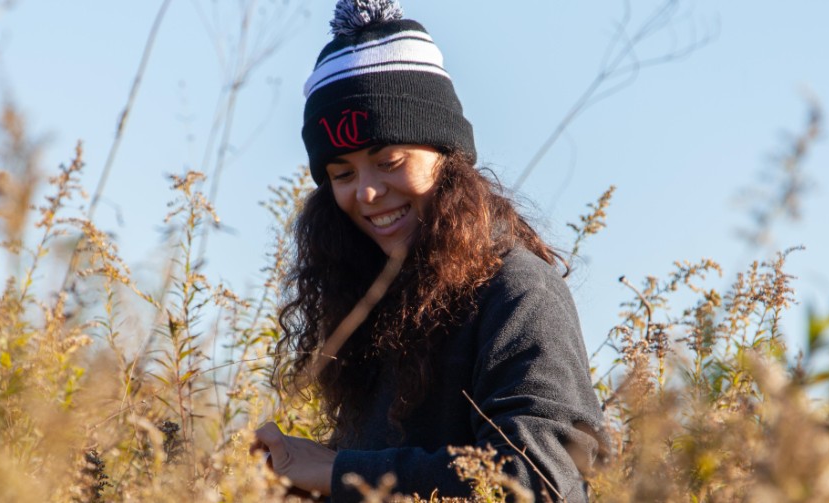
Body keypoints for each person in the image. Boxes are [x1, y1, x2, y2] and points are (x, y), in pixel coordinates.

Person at [254, 1, 606, 501]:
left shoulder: (518, 292)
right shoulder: (369, 302)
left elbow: (540, 482)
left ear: (448, 158)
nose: (368, 193)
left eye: (389, 161)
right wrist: (298, 479)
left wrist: (338, 472)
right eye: (343, 174)